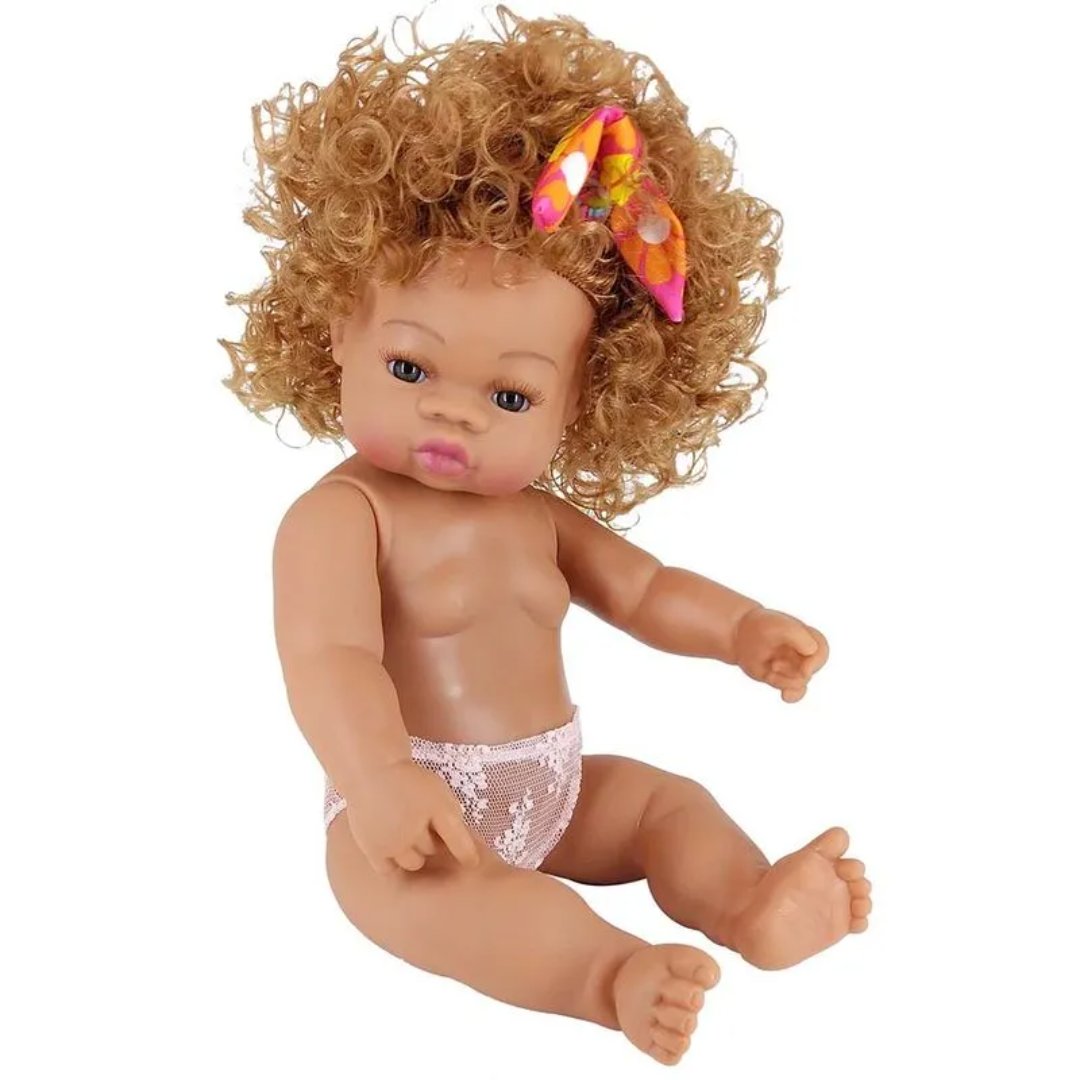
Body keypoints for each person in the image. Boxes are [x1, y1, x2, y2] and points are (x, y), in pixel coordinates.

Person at [221, 7, 871, 1066]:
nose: (454, 412)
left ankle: (750, 903)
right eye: (410, 367)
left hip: (555, 788)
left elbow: (645, 589)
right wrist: (378, 778)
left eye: (511, 396)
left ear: (582, 401)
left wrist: (742, 629)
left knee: (665, 805)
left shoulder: (534, 516)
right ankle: (612, 977)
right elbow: (329, 659)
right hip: (407, 817)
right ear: (338, 327)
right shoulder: (344, 516)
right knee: (477, 909)